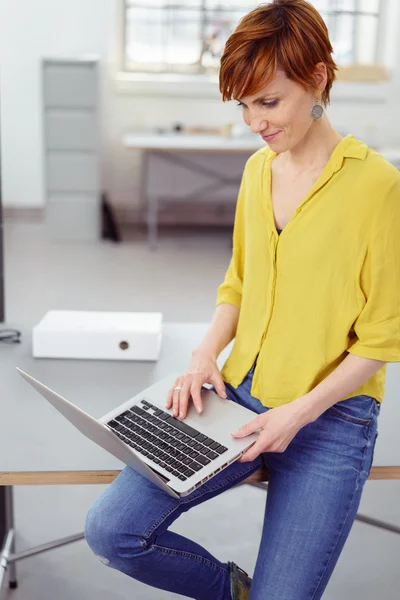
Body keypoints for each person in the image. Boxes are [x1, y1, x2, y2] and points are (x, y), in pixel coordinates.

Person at [84, 1, 400, 598]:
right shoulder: (259, 170)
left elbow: (386, 336)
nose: (255, 121)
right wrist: (205, 356)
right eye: (245, 104)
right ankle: (233, 589)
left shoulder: (379, 187)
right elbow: (238, 281)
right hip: (239, 397)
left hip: (331, 419)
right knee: (111, 530)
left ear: (319, 79)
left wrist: (298, 413)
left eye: (269, 102)